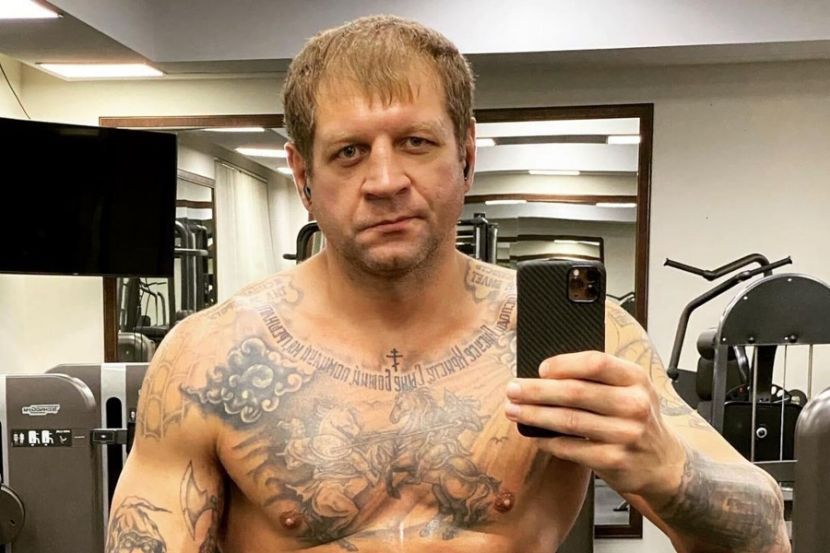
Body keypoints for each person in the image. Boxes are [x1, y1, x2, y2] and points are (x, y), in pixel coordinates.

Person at [107, 15, 790, 553]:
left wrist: (668, 469)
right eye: (349, 152)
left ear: (465, 153)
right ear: (303, 174)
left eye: (416, 142)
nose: (384, 181)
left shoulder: (593, 340)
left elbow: (766, 537)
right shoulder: (209, 358)